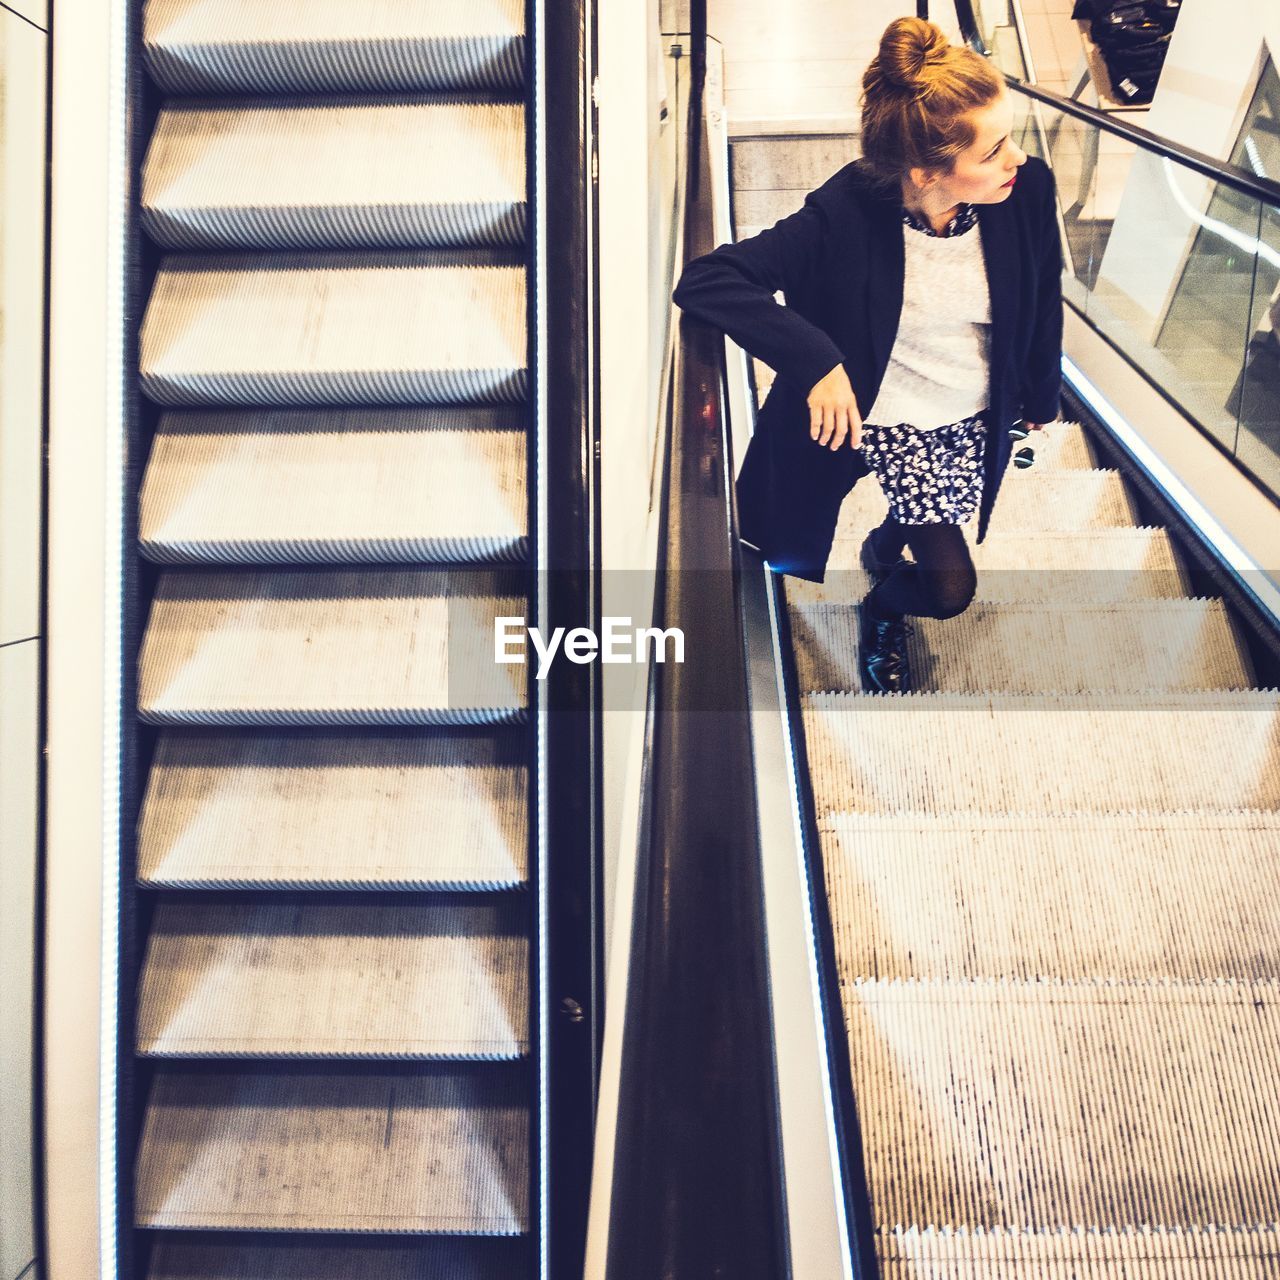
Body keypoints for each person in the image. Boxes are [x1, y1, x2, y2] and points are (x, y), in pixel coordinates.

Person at [672, 17, 1063, 692]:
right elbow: (709, 280)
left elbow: (1042, 294)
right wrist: (817, 360)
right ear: (927, 171)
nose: (1016, 159)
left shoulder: (1022, 192)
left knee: (926, 509)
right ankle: (885, 606)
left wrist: (1039, 397)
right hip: (884, 421)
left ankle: (887, 544)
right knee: (949, 591)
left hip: (972, 412)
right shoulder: (844, 217)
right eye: (994, 149)